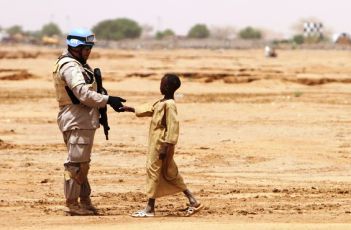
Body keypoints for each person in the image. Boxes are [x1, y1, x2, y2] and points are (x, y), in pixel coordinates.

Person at [52, 28, 126, 215]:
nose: (88, 52)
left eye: (89, 48)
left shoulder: (80, 64)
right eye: (86, 48)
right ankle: (72, 204)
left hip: (83, 119)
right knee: (75, 163)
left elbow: (91, 89)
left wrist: (105, 98)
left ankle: (84, 201)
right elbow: (83, 94)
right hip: (76, 119)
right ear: (75, 48)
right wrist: (108, 100)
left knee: (82, 162)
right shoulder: (70, 66)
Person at [122, 74, 203, 217]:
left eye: (162, 83)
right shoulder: (162, 102)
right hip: (157, 143)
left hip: (161, 144)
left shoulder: (170, 105)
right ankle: (193, 201)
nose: (160, 85)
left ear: (166, 87)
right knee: (170, 172)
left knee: (153, 171)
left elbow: (173, 126)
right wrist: (129, 109)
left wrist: (166, 146)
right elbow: (150, 110)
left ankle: (149, 208)